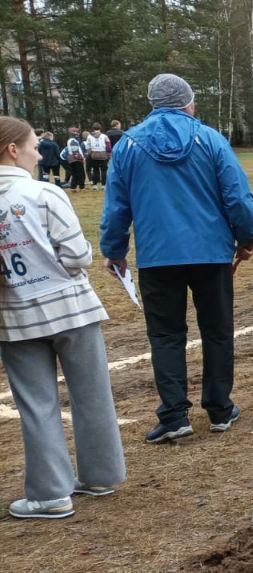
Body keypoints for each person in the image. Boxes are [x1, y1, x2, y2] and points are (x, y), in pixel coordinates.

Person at [99, 73, 253, 445]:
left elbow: (116, 207)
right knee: (217, 331)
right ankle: (219, 408)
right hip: (210, 253)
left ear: (153, 104)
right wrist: (248, 237)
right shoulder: (211, 140)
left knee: (166, 336)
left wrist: (114, 250)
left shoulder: (127, 145)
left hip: (158, 257)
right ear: (188, 102)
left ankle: (174, 415)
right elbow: (237, 196)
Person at [0, 116, 126, 519]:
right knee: (92, 393)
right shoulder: (45, 194)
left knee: (36, 405)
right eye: (34, 145)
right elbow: (76, 256)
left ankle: (51, 493)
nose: (40, 153)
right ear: (12, 150)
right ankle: (100, 475)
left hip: (14, 318)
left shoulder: (41, 189)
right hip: (71, 308)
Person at [84, 123, 110, 192]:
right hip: (103, 155)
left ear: (93, 129)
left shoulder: (89, 137)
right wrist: (108, 154)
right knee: (104, 170)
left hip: (94, 155)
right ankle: (104, 185)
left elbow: (88, 147)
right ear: (100, 128)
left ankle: (95, 186)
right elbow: (108, 146)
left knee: (95, 170)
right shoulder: (104, 136)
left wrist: (90, 154)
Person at [61, 127, 85, 191]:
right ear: (73, 132)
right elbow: (75, 151)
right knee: (80, 173)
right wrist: (80, 158)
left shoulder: (71, 140)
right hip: (76, 159)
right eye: (76, 132)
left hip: (71, 159)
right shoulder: (73, 140)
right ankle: (82, 187)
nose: (78, 133)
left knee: (75, 173)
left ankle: (73, 187)